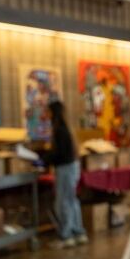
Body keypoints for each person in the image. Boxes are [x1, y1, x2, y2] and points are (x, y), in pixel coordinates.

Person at [43, 100, 88, 248]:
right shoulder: (65, 128)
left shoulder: (60, 130)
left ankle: (66, 235)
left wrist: (43, 160)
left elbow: (59, 153)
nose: (46, 114)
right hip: (71, 167)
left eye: (48, 111)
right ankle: (78, 232)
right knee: (71, 200)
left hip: (65, 168)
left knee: (63, 203)